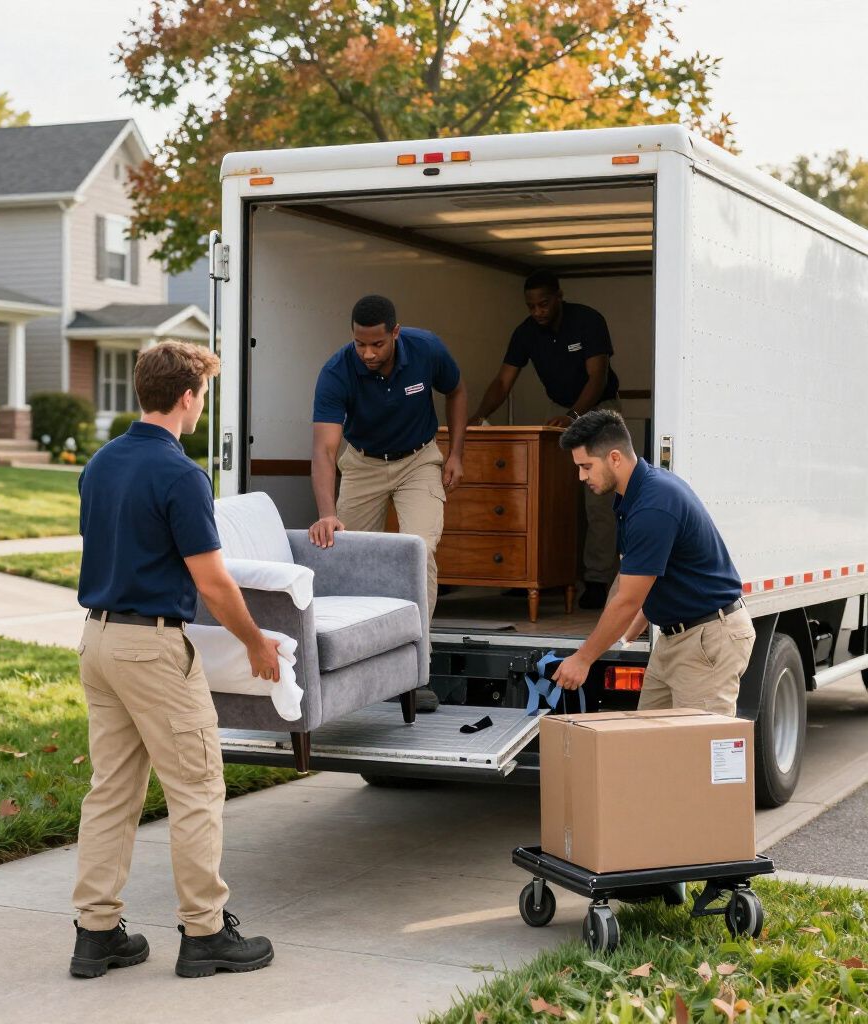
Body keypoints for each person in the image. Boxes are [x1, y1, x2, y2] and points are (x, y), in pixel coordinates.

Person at [70, 340, 279, 980]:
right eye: (203, 397)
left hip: (98, 641)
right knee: (196, 787)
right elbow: (214, 582)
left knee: (111, 791)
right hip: (151, 648)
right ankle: (206, 933)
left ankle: (96, 934)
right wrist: (255, 642)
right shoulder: (182, 475)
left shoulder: (101, 464)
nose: (201, 408)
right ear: (187, 397)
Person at [309, 294, 467, 711]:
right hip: (362, 464)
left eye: (376, 344)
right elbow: (325, 450)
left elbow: (456, 390)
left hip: (419, 460)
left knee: (419, 550)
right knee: (352, 559)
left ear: (395, 333)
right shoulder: (336, 371)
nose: (367, 353)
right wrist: (327, 514)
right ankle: (363, 667)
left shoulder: (427, 348)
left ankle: (417, 672)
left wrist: (456, 454)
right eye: (360, 344)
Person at [551, 409, 756, 717]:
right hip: (676, 638)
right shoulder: (633, 495)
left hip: (706, 640)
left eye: (586, 466)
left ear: (615, 458)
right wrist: (632, 627)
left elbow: (628, 599)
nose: (581, 477)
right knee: (649, 742)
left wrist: (583, 658)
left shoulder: (653, 505)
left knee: (699, 753)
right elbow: (635, 571)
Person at [470, 270, 621, 609]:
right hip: (562, 411)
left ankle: (597, 579)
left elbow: (597, 377)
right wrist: (478, 416)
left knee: (598, 499)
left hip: (598, 409)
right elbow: (503, 381)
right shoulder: (525, 333)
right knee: (555, 499)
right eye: (531, 306)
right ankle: (548, 575)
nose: (537, 311)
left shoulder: (587, 321)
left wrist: (575, 418)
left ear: (558, 296)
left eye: (543, 304)